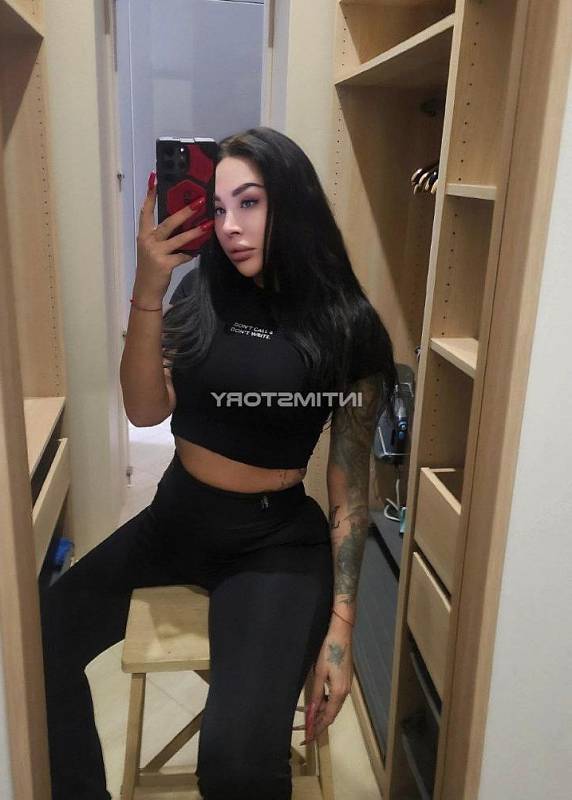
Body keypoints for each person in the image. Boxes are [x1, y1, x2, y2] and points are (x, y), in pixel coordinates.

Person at [40, 126, 397, 799]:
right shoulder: (200, 289)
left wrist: (341, 630)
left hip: (273, 544)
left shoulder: (348, 325)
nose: (230, 226)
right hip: (173, 522)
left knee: (237, 766)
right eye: (219, 206)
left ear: (293, 201)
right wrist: (149, 285)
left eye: (250, 203)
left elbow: (350, 487)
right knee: (36, 646)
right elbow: (145, 410)